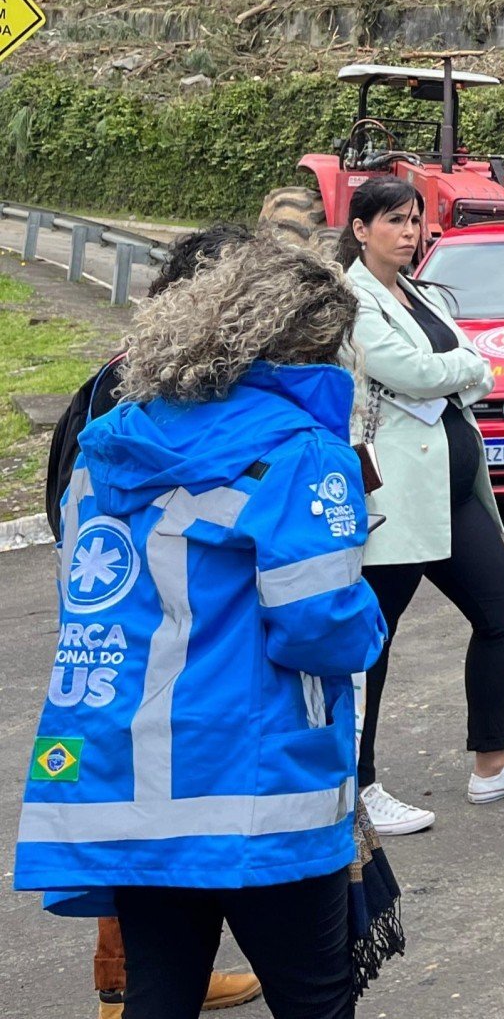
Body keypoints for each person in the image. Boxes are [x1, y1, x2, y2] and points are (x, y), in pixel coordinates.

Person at [15, 234, 387, 1019]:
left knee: (159, 995)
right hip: (258, 782)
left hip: (133, 776)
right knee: (316, 999)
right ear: (305, 344)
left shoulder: (106, 443)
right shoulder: (303, 449)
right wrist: (370, 622)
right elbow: (317, 623)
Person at [39, 224, 267, 1019]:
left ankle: (162, 970)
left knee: (152, 800)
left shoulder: (158, 372)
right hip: (141, 623)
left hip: (137, 622)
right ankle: (124, 977)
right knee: (138, 795)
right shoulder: (133, 385)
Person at [342, 175, 504, 836]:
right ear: (360, 229)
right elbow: (413, 371)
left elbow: (474, 362)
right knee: (371, 638)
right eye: (394, 221)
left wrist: (462, 366)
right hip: (397, 494)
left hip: (452, 487)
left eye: (415, 220)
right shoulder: (349, 298)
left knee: (502, 609)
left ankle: (492, 761)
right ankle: (358, 786)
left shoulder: (419, 290)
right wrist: (464, 367)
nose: (409, 232)